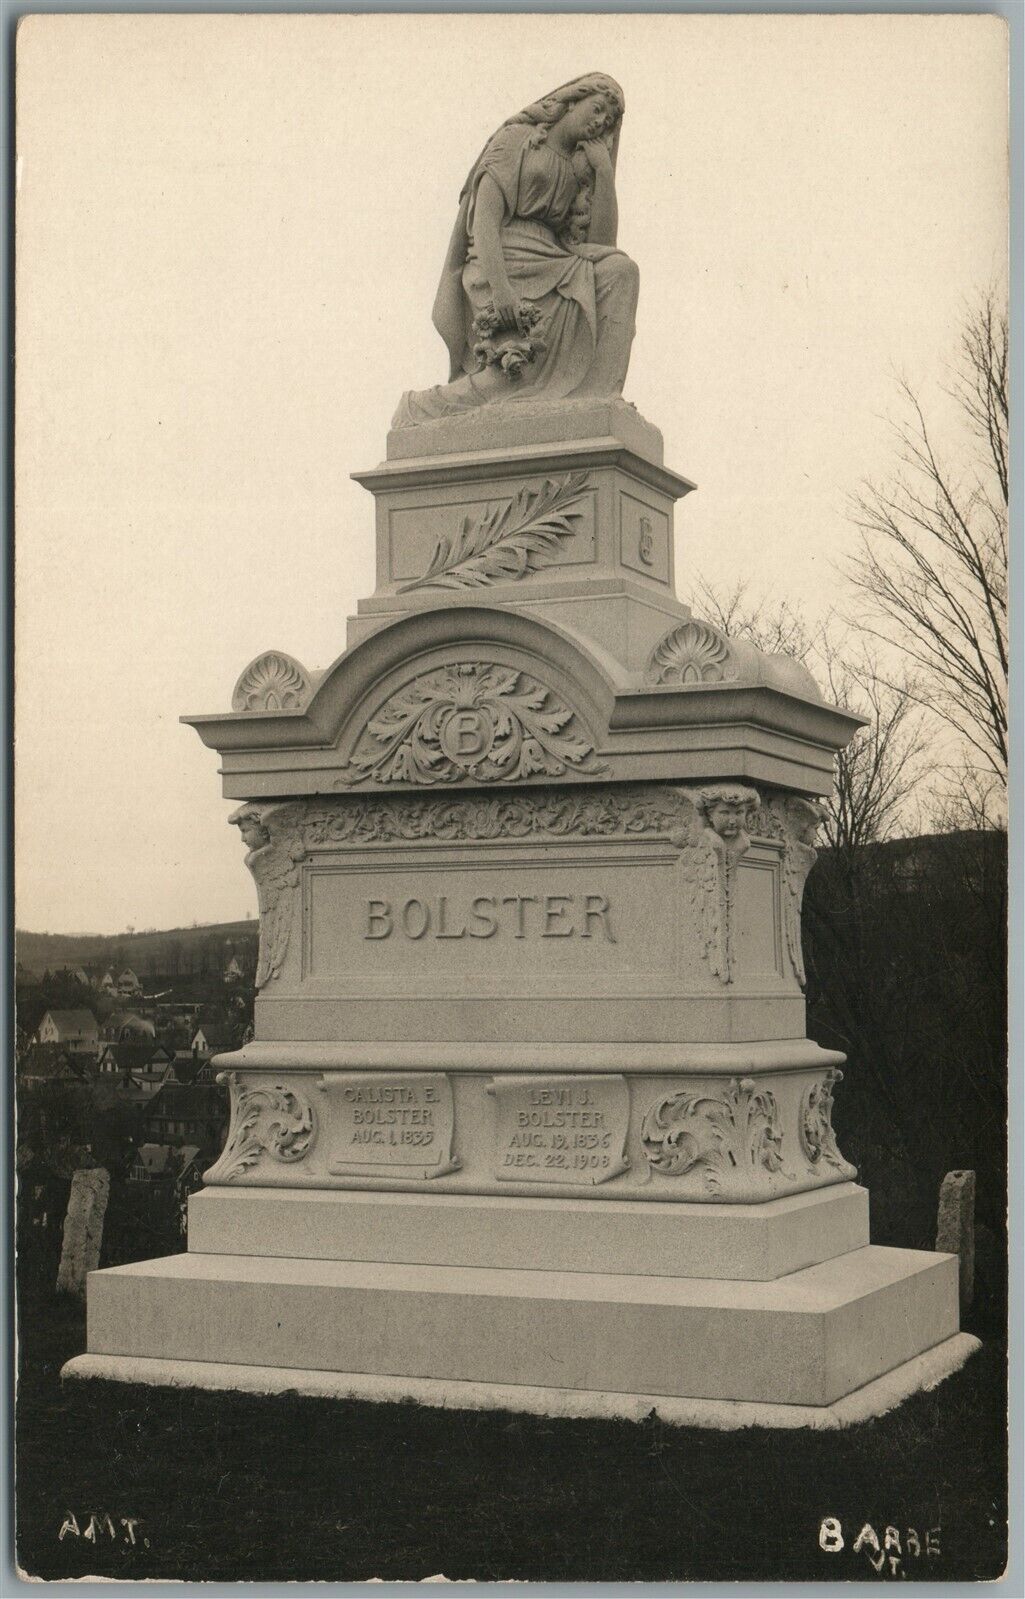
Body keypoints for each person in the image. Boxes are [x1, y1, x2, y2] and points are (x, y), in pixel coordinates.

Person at [392, 73, 639, 427]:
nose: (599, 122)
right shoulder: (517, 140)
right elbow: (485, 221)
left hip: (554, 260)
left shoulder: (580, 166)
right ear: (571, 101)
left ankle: (601, 395)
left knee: (620, 271)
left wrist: (603, 172)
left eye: (607, 121)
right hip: (501, 260)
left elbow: (600, 247)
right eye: (596, 109)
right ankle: (419, 409)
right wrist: (501, 287)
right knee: (510, 378)